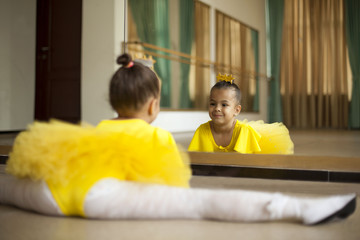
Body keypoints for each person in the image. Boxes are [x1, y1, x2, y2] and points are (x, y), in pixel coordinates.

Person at [0, 54, 356, 225]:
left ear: (113, 103)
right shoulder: (158, 135)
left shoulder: (100, 127)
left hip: (51, 193)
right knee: (200, 204)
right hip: (99, 199)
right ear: (154, 105)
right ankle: (296, 208)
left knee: (9, 184)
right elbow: (171, 179)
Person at [188, 74, 294, 154]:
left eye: (224, 105)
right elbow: (196, 158)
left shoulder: (243, 131)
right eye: (212, 104)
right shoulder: (202, 130)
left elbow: (243, 163)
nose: (217, 108)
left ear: (237, 110)